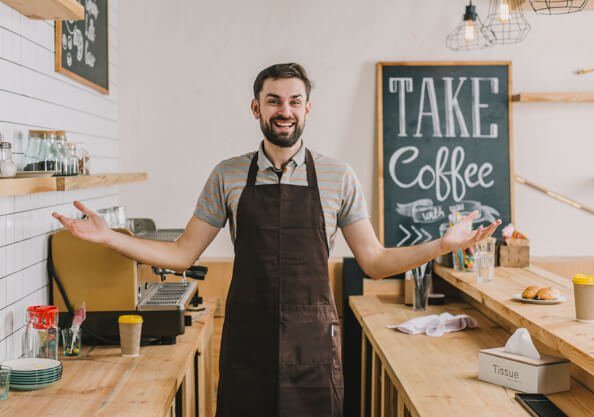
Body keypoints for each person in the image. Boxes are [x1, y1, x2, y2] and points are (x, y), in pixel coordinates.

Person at [52, 63, 500, 417]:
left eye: (294, 101)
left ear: (308, 109)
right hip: (249, 339)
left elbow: (376, 262)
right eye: (273, 101)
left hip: (314, 344)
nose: (284, 110)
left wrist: (442, 246)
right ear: (256, 108)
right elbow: (181, 253)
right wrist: (110, 238)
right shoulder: (227, 174)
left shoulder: (337, 176)